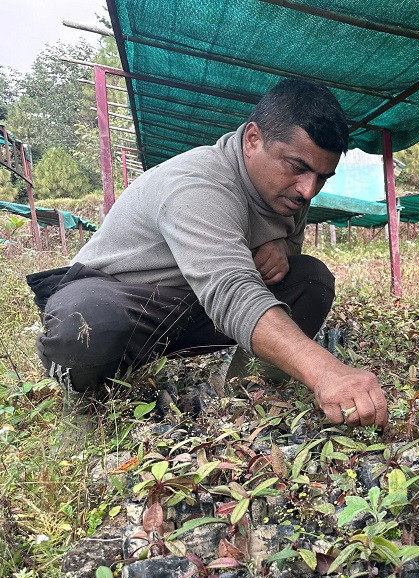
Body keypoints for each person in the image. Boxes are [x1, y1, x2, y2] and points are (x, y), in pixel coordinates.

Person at [26, 79, 388, 432]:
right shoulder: (198, 183)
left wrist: (282, 248)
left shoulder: (287, 193)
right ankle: (87, 405)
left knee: (311, 279)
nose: (309, 190)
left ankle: (248, 391)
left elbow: (288, 248)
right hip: (131, 303)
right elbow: (230, 290)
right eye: (297, 167)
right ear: (252, 140)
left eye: (322, 176)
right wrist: (325, 371)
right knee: (87, 322)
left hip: (195, 308)